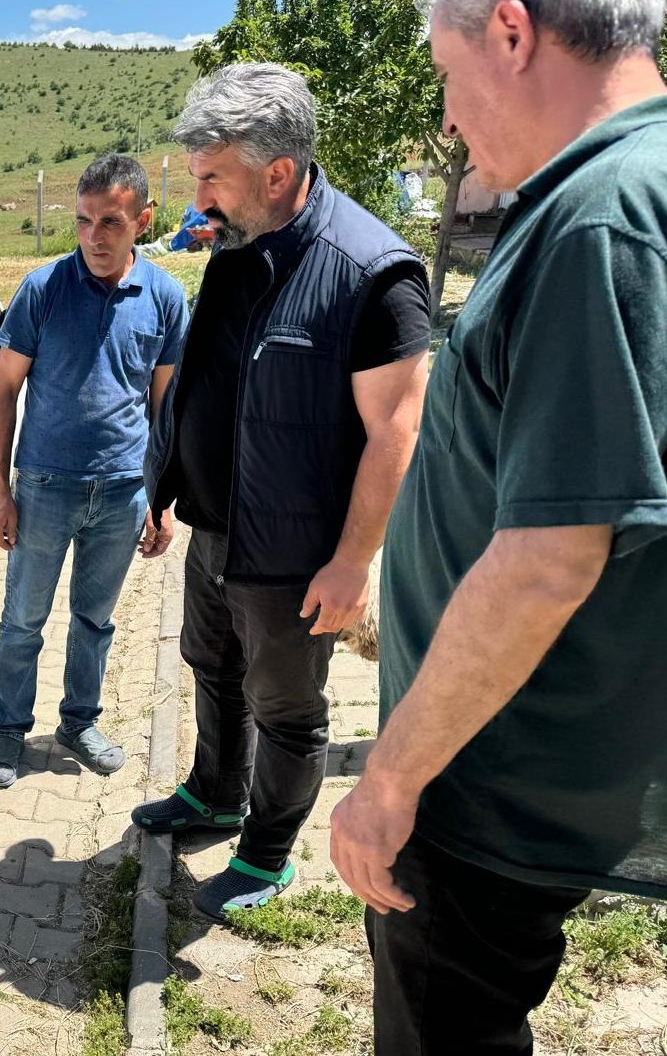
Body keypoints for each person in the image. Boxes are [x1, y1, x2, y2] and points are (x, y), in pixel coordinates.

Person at [328, 0, 667, 1051]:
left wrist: (388, 781)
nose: (443, 113)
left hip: (498, 780)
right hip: (565, 745)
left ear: (513, 35)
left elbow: (547, 557)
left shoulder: (601, 216)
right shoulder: (651, 174)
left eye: (445, 70)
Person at [131, 64, 431, 920]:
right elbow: (209, 379)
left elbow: (394, 433)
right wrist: (167, 483)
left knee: (287, 710)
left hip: (297, 555)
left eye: (211, 175)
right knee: (210, 667)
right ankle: (212, 796)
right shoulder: (236, 243)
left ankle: (266, 854)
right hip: (217, 527)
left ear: (277, 173)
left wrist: (352, 561)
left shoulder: (371, 273)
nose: (199, 195)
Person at [0, 153, 190, 789]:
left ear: (144, 221)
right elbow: (3, 392)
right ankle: (8, 730)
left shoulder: (165, 297)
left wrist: (164, 503)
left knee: (95, 621)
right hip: (43, 487)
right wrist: (0, 492)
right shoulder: (43, 290)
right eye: (83, 222)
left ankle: (78, 723)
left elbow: (165, 408)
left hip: (125, 490)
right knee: (23, 620)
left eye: (112, 223)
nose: (95, 237)